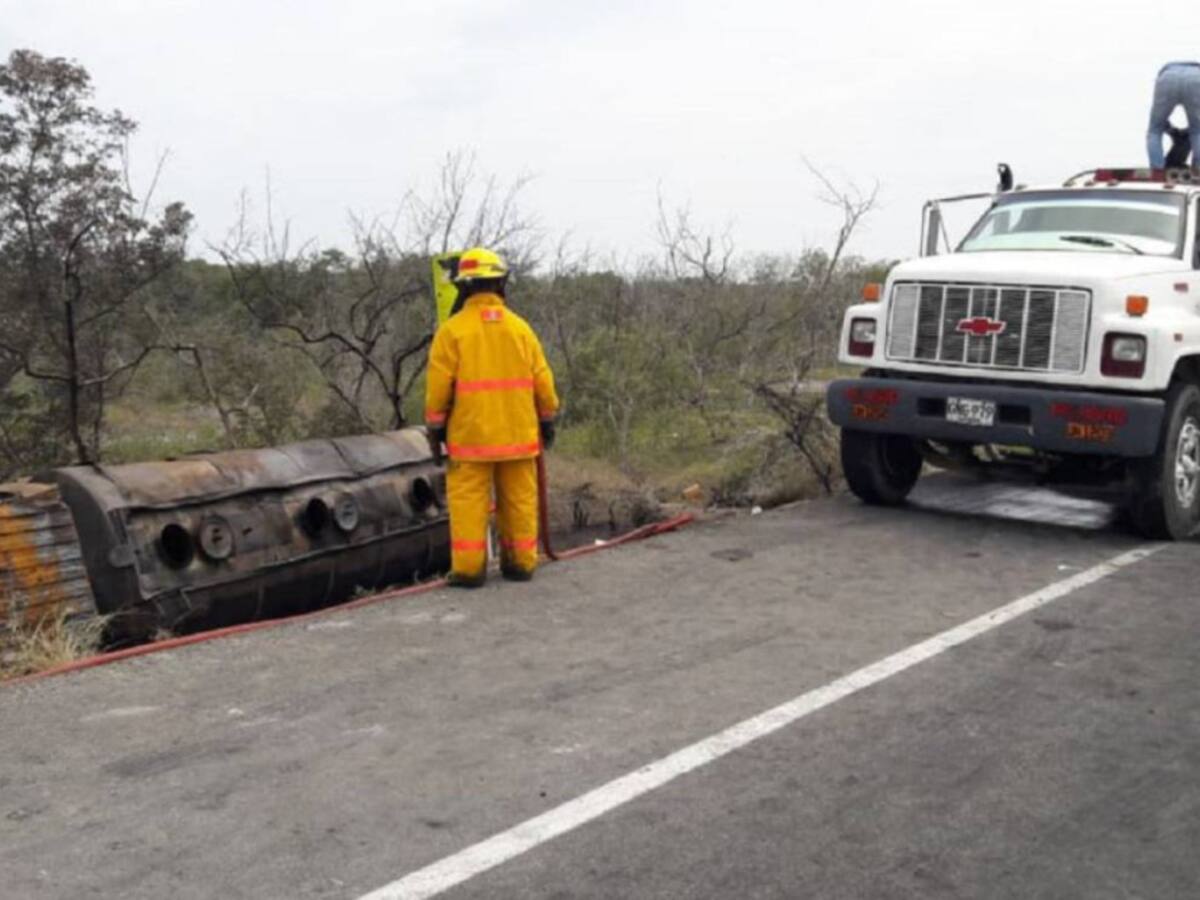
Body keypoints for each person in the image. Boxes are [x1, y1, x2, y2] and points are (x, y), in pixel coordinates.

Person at [424, 246, 559, 587]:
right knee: (520, 501)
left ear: (464, 287)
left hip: (471, 440)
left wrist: (435, 428)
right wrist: (547, 418)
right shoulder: (520, 329)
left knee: (468, 504)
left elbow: (438, 387)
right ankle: (521, 564)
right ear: (500, 283)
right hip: (518, 435)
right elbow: (543, 380)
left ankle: (469, 571)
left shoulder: (451, 332)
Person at [1147, 62, 1200, 169]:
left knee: (1155, 130)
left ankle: (1157, 171)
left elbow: (1160, 123)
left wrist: (1167, 127)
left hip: (1167, 76)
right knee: (1197, 131)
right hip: (1196, 77)